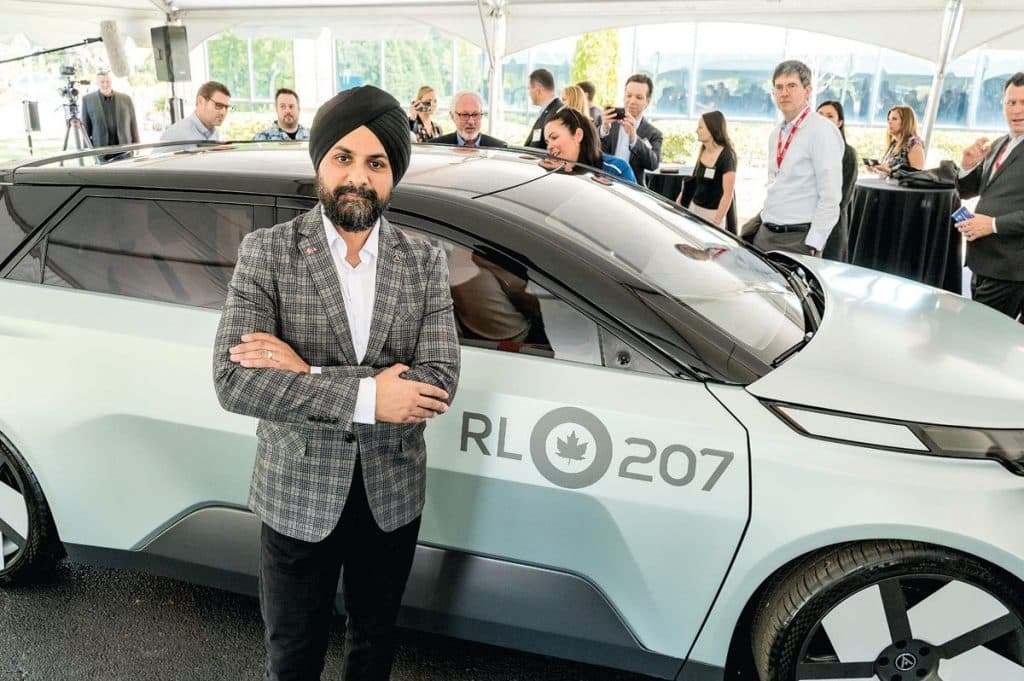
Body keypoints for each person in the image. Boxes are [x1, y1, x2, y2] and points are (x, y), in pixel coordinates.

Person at [212, 85, 461, 680]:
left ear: (393, 175)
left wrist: (303, 373)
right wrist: (370, 393)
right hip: (296, 493)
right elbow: (233, 382)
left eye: (377, 163)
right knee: (293, 655)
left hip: (391, 495)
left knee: (373, 649)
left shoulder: (424, 261)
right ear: (320, 162)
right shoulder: (267, 253)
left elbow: (436, 382)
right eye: (343, 158)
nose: (358, 177)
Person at [749, 60, 843, 256]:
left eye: (792, 86)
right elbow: (775, 182)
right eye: (779, 87)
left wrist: (813, 244)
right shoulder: (777, 133)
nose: (784, 93)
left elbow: (831, 196)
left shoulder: (822, 131)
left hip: (797, 239)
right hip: (766, 233)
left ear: (807, 90)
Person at [955, 72, 1024, 322]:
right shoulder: (998, 144)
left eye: (1023, 103)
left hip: (1011, 268)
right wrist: (967, 166)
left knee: (982, 336)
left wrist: (992, 225)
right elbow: (968, 191)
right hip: (982, 261)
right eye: (1011, 103)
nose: (1016, 110)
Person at [542, 106, 637, 184]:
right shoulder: (554, 171)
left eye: (554, 138)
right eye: (547, 142)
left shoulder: (617, 169)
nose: (549, 147)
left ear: (578, 135)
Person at [677, 110, 736, 230]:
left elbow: (728, 194)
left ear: (711, 129)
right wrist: (680, 198)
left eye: (700, 127)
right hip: (694, 208)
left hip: (713, 214)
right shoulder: (703, 149)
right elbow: (694, 179)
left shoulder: (727, 156)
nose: (696, 131)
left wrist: (717, 221)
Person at [600, 74, 663, 185]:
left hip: (632, 190)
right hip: (603, 184)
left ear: (647, 101)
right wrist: (604, 129)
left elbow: (653, 164)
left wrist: (633, 137)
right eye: (628, 95)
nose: (632, 101)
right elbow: (590, 148)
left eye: (638, 97)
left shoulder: (653, 133)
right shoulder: (608, 121)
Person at [816, 100, 859, 261]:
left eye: (830, 116)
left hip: (831, 226)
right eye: (820, 115)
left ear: (839, 122)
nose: (824, 119)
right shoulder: (806, 149)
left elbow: (842, 199)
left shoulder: (847, 154)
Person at [79, 71, 139, 159]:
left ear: (111, 82)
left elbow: (133, 123)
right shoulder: (87, 100)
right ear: (97, 83)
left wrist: (137, 144)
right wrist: (86, 148)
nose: (105, 84)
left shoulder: (126, 99)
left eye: (108, 81)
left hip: (125, 147)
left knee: (126, 172)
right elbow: (86, 125)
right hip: (100, 148)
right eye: (102, 82)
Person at [161, 81, 231, 145]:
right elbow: (157, 158)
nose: (223, 112)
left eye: (226, 107)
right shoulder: (176, 134)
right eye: (218, 105)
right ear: (201, 101)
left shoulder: (214, 134)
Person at [428, 91, 507, 148]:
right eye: (465, 115)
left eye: (475, 114)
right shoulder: (435, 147)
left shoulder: (499, 148)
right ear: (452, 116)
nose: (471, 122)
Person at [871, 105, 925, 176]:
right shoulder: (894, 143)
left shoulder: (914, 144)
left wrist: (890, 171)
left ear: (906, 122)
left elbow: (917, 176)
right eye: (889, 119)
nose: (889, 122)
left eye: (894, 119)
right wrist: (876, 170)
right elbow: (890, 173)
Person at [524, 69, 562, 149]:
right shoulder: (549, 110)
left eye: (529, 88)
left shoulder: (557, 113)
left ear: (538, 89)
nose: (528, 93)